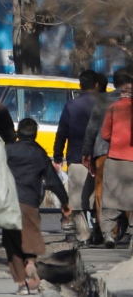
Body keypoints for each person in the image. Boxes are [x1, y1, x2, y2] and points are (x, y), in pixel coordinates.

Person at [4, 118, 71, 293]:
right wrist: (64, 201)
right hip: (30, 204)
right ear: (35, 135)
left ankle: (21, 284)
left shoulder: (8, 150)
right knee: (30, 240)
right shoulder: (39, 153)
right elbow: (53, 180)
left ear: (18, 134)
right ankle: (31, 265)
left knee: (12, 244)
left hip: (9, 203)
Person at [53, 69, 98, 243]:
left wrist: (58, 156)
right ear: (96, 85)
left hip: (76, 157)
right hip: (101, 158)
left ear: (80, 85)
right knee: (97, 198)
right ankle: (100, 231)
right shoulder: (104, 105)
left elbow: (61, 132)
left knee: (78, 200)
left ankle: (84, 234)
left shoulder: (71, 106)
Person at [82, 69, 121, 243]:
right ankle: (123, 226)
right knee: (125, 189)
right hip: (126, 152)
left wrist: (86, 152)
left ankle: (106, 230)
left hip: (102, 151)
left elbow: (92, 128)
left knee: (101, 191)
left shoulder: (103, 99)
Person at [98, 71, 133, 249]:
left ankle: (108, 234)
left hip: (115, 158)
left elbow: (105, 134)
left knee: (111, 198)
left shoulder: (113, 107)